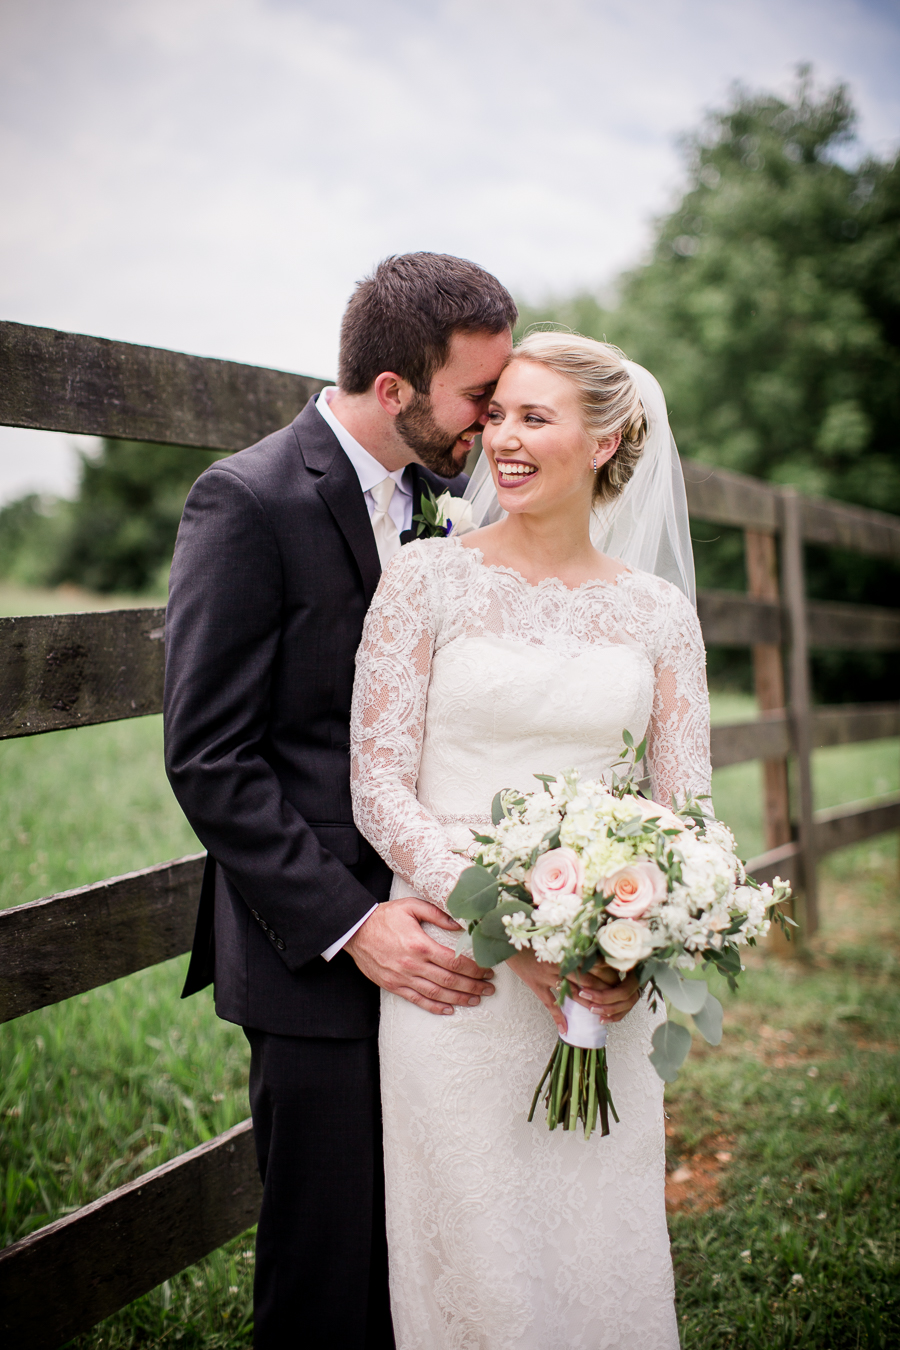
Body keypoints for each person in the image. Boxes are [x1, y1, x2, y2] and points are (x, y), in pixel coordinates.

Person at [164, 253, 530, 1348]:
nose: (493, 421)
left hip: (440, 940)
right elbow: (210, 756)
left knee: (426, 1248)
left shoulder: (443, 506)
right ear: (394, 389)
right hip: (312, 956)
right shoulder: (249, 499)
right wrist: (351, 924)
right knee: (325, 1270)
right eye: (478, 396)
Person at [350, 331, 711, 1348]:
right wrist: (516, 925)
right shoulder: (425, 580)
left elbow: (686, 810)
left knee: (601, 1250)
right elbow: (379, 785)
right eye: (497, 412)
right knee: (480, 1267)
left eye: (534, 418)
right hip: (456, 972)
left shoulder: (658, 614)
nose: (501, 438)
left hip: (601, 978)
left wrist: (631, 946)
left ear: (608, 442)